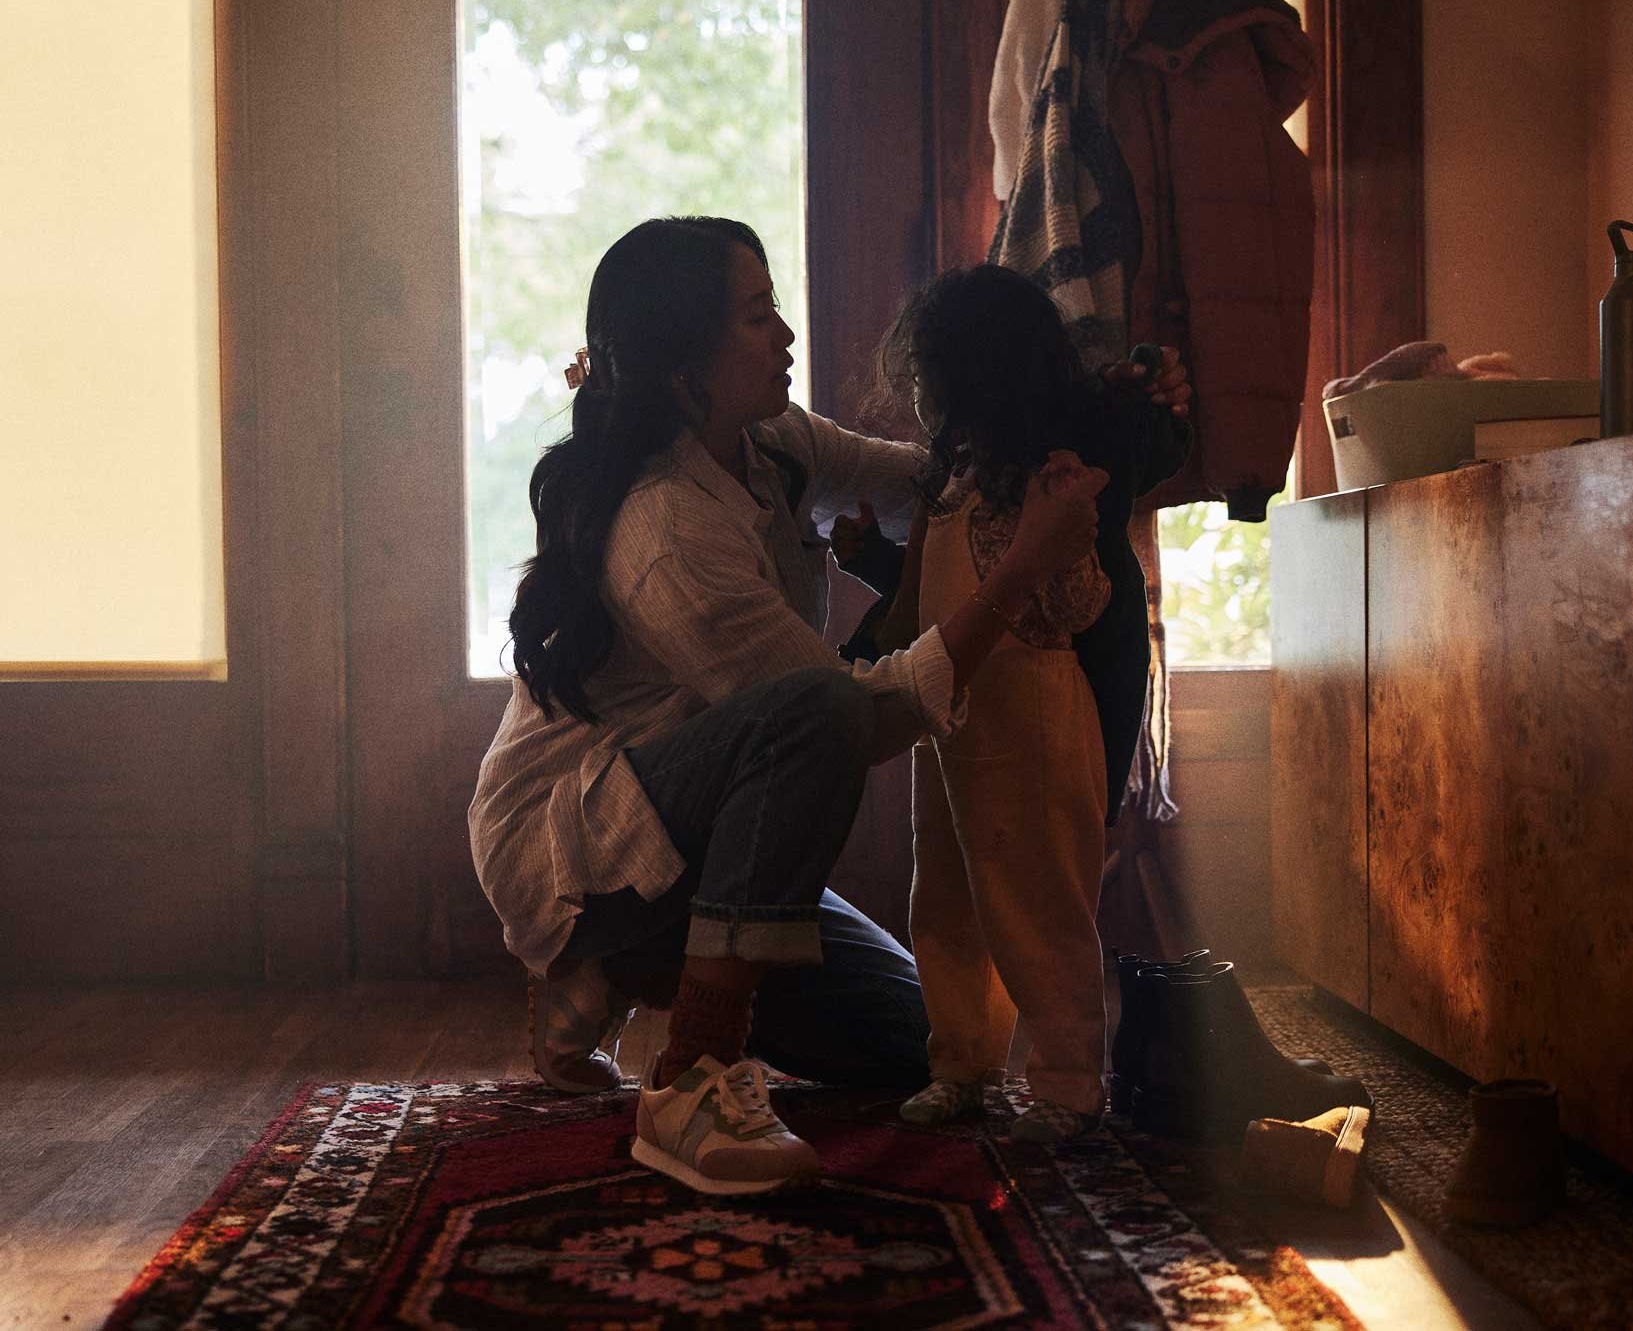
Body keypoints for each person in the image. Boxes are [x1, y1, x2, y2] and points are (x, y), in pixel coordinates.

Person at [467, 217, 1189, 1196]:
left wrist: (1082, 421)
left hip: (694, 833)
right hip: (578, 838)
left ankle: (604, 975)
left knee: (909, 1045)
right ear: (684, 361)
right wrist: (1017, 572)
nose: (786, 337)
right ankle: (687, 1072)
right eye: (757, 315)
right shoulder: (664, 528)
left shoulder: (767, 441)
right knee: (813, 711)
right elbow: (850, 718)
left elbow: (927, 487)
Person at [856, 263, 1192, 1142]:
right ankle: (961, 1062)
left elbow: (1083, 602)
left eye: (932, 373)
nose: (924, 393)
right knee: (950, 901)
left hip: (1039, 713)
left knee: (1040, 903)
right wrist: (867, 582)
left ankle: (1068, 1081)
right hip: (953, 722)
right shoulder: (952, 478)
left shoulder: (1052, 475)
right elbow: (925, 599)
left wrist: (1055, 544)